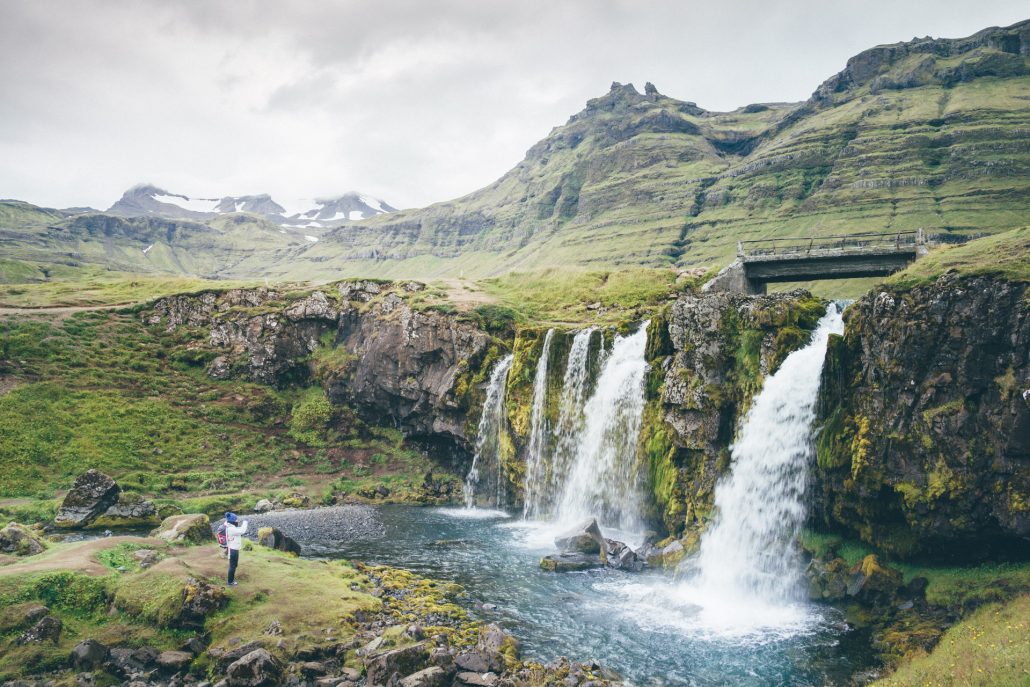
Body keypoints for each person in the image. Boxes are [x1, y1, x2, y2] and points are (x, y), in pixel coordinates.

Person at [223, 512, 249, 586]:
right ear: (232, 521)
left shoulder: (229, 525)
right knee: (232, 566)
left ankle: (230, 580)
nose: (237, 521)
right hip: (233, 550)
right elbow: (242, 531)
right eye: (236, 519)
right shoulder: (231, 529)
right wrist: (245, 522)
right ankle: (230, 582)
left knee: (234, 565)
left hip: (233, 549)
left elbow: (238, 529)